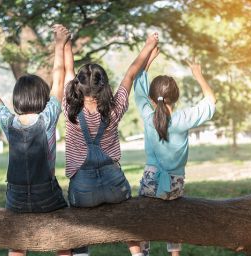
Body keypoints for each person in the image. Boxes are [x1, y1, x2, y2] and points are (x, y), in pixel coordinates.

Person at [0, 24, 72, 256]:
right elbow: (59, 77)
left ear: (17, 99)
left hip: (15, 198)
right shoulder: (48, 117)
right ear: (42, 97)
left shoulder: (9, 122)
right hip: (47, 196)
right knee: (63, 239)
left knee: (16, 244)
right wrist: (59, 44)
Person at [62, 32, 159, 256]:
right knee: (126, 219)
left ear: (78, 86)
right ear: (103, 84)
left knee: (78, 222)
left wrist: (65, 42)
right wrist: (148, 45)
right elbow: (131, 73)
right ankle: (137, 253)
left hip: (83, 191)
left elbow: (67, 71)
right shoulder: (114, 109)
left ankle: (81, 253)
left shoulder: (71, 111)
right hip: (115, 185)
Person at [134, 47, 216, 256]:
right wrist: (198, 75)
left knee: (142, 218)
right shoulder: (183, 119)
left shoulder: (147, 116)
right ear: (176, 97)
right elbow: (210, 102)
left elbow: (138, 88)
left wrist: (148, 61)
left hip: (152, 179)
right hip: (175, 183)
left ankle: (142, 253)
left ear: (153, 100)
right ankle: (175, 254)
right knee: (174, 217)